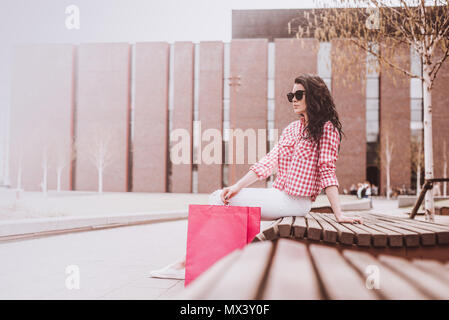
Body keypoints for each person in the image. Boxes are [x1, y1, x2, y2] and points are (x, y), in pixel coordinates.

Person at [150, 74, 364, 280]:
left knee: (218, 199)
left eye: (299, 94)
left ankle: (191, 263)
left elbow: (327, 171)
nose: (293, 100)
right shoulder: (292, 129)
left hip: (297, 202)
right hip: (279, 195)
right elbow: (268, 161)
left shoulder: (327, 130)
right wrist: (237, 186)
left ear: (314, 96)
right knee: (223, 196)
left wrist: (339, 214)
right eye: (291, 96)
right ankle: (203, 263)